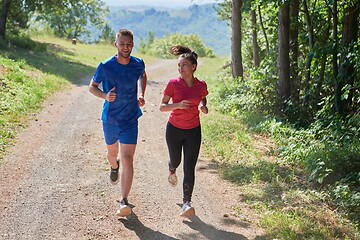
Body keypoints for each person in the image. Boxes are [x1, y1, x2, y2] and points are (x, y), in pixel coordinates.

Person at [89, 29, 147, 217]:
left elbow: (142, 76)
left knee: (129, 159)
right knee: (112, 155)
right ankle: (114, 166)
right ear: (116, 44)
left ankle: (124, 200)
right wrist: (105, 96)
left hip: (130, 119)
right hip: (111, 120)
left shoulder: (138, 63)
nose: (126, 47)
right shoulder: (105, 66)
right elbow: (92, 86)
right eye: (122, 44)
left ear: (133, 44)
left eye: (129, 44)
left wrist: (141, 94)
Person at [160, 45, 208, 218]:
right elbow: (162, 106)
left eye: (184, 65)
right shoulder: (173, 84)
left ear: (193, 66)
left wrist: (203, 106)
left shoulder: (201, 85)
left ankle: (187, 203)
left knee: (189, 167)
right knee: (176, 161)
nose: (180, 69)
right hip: (174, 129)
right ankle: (171, 168)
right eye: (179, 66)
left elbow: (202, 96)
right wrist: (178, 105)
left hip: (193, 131)